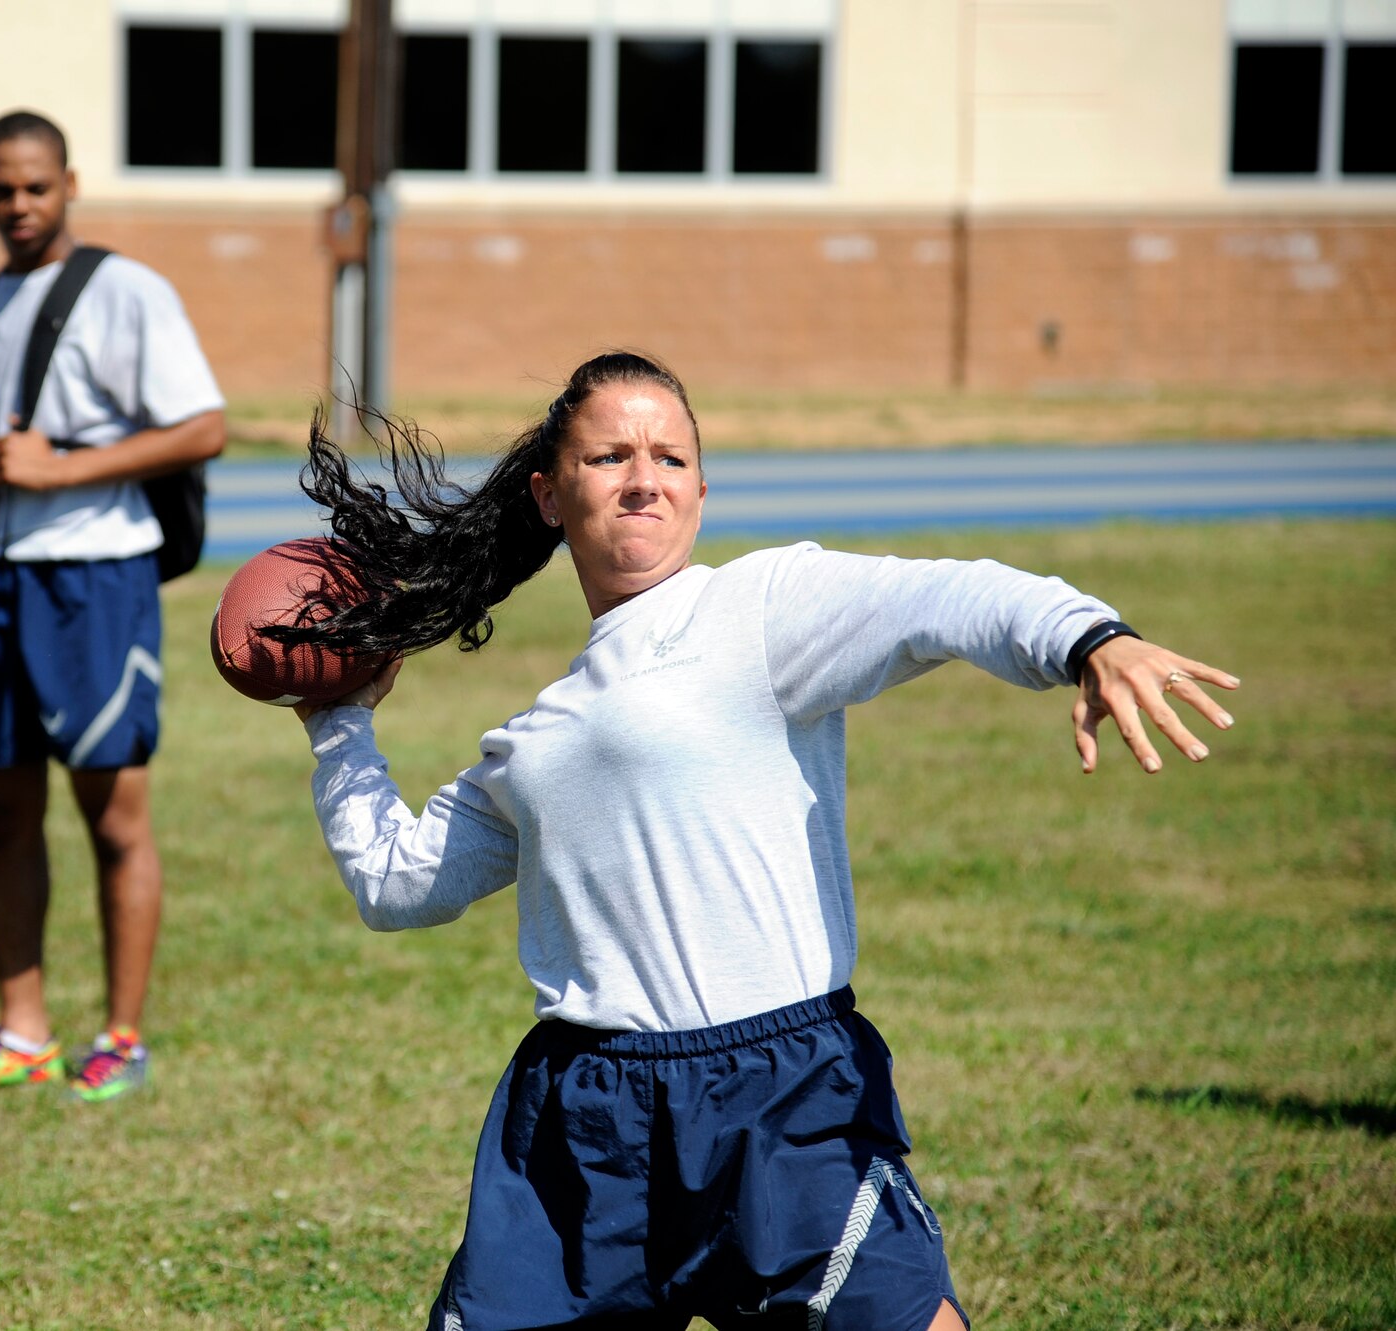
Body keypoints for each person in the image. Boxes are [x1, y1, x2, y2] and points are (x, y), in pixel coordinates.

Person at [279, 352, 1239, 1329]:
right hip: (586, 1118)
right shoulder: (534, 741)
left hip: (778, 1096)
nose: (643, 477)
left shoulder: (763, 607)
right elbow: (396, 883)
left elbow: (947, 598)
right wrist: (337, 721)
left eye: (669, 456)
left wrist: (1088, 638)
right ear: (547, 493)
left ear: (701, 486)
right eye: (609, 456)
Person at [0, 111, 226, 1099]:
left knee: (111, 809)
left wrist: (62, 469)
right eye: (0, 189)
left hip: (92, 578)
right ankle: (22, 1029)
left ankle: (121, 1035)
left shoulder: (126, 291)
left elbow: (202, 425)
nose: (17, 205)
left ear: (68, 185)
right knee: (2, 807)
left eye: (35, 187)